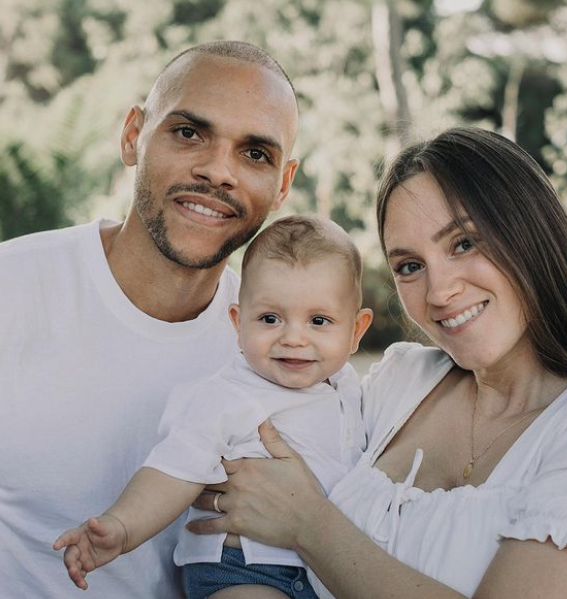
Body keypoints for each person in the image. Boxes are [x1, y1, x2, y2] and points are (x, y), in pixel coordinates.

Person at [188, 127, 567, 599]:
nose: (439, 292)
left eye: (464, 243)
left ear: (530, 233)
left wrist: (309, 524)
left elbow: (298, 509)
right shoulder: (398, 380)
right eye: (409, 266)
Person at [0, 40, 299, 598]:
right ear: (133, 135)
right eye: (189, 133)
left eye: (255, 154)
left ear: (283, 184)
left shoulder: (281, 358)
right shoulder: (12, 289)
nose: (217, 171)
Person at [54, 215, 373, 599]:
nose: (293, 338)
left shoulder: (350, 390)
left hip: (328, 570)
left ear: (356, 331)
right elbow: (172, 472)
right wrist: (122, 526)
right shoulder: (228, 396)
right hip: (244, 569)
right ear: (238, 324)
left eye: (319, 321)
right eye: (270, 319)